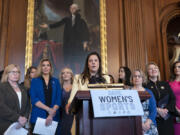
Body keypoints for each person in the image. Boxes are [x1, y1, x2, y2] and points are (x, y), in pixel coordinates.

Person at [40, 3, 89, 72]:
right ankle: (73, 75)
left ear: (77, 10)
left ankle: (80, 76)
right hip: (69, 44)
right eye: (71, 8)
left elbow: (85, 32)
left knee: (79, 61)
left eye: (74, 8)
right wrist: (48, 26)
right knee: (70, 61)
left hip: (78, 44)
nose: (72, 9)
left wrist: (85, 43)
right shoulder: (67, 19)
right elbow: (58, 24)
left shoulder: (82, 21)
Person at [29, 58, 61, 134]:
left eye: (48, 65)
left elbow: (58, 99)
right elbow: (34, 99)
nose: (46, 67)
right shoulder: (35, 81)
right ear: (41, 67)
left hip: (53, 116)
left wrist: (51, 113)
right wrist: (48, 109)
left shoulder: (56, 81)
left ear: (50, 67)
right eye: (43, 65)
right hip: (38, 116)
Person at [146, 62, 176, 135]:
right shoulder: (145, 86)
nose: (153, 70)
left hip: (167, 118)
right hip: (153, 119)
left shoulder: (165, 84)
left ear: (158, 71)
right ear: (147, 72)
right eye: (150, 69)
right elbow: (145, 102)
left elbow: (172, 99)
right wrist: (158, 110)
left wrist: (166, 109)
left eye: (155, 68)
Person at [0, 64, 30, 134]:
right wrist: (18, 118)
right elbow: (1, 106)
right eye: (13, 72)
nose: (15, 74)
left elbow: (27, 106)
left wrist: (24, 118)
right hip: (5, 124)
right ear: (7, 74)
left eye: (18, 72)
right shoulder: (2, 87)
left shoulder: (23, 88)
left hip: (21, 125)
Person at [131, 69, 158, 135]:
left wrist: (147, 123)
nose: (137, 78)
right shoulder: (128, 92)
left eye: (139, 76)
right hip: (132, 123)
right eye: (135, 76)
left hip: (148, 124)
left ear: (143, 79)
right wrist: (140, 124)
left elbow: (153, 110)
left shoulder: (149, 92)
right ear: (132, 79)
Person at [59, 67, 74, 135]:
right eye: (63, 73)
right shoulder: (58, 87)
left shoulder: (75, 87)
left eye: (68, 72)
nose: (65, 74)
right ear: (61, 76)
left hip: (73, 117)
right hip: (61, 117)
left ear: (71, 75)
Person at [169, 60, 180, 135]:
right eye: (175, 67)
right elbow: (168, 99)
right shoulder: (169, 83)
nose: (177, 69)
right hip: (175, 113)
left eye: (179, 67)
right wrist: (177, 111)